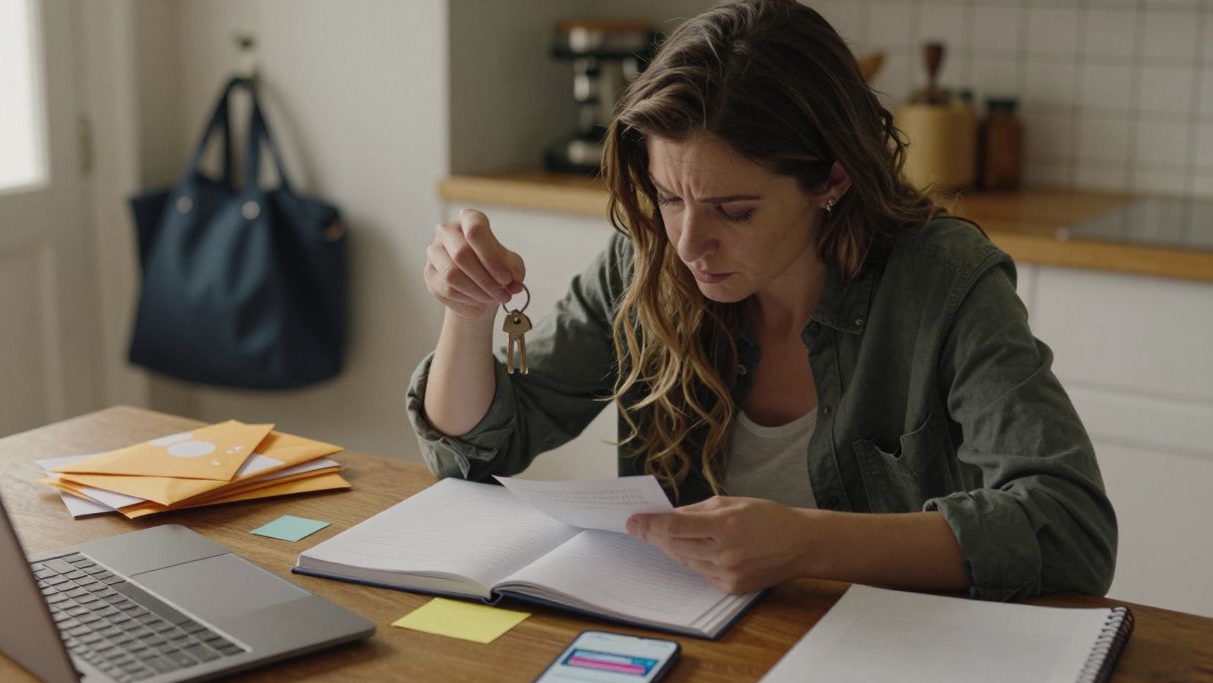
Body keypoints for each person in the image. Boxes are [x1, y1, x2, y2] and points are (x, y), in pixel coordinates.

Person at [407, 0, 1116, 601]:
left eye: (735, 210)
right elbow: (474, 450)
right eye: (669, 196)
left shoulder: (944, 281)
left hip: (894, 658)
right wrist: (467, 315)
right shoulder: (646, 261)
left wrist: (809, 543)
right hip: (697, 649)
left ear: (831, 181)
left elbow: (1069, 529)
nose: (689, 244)